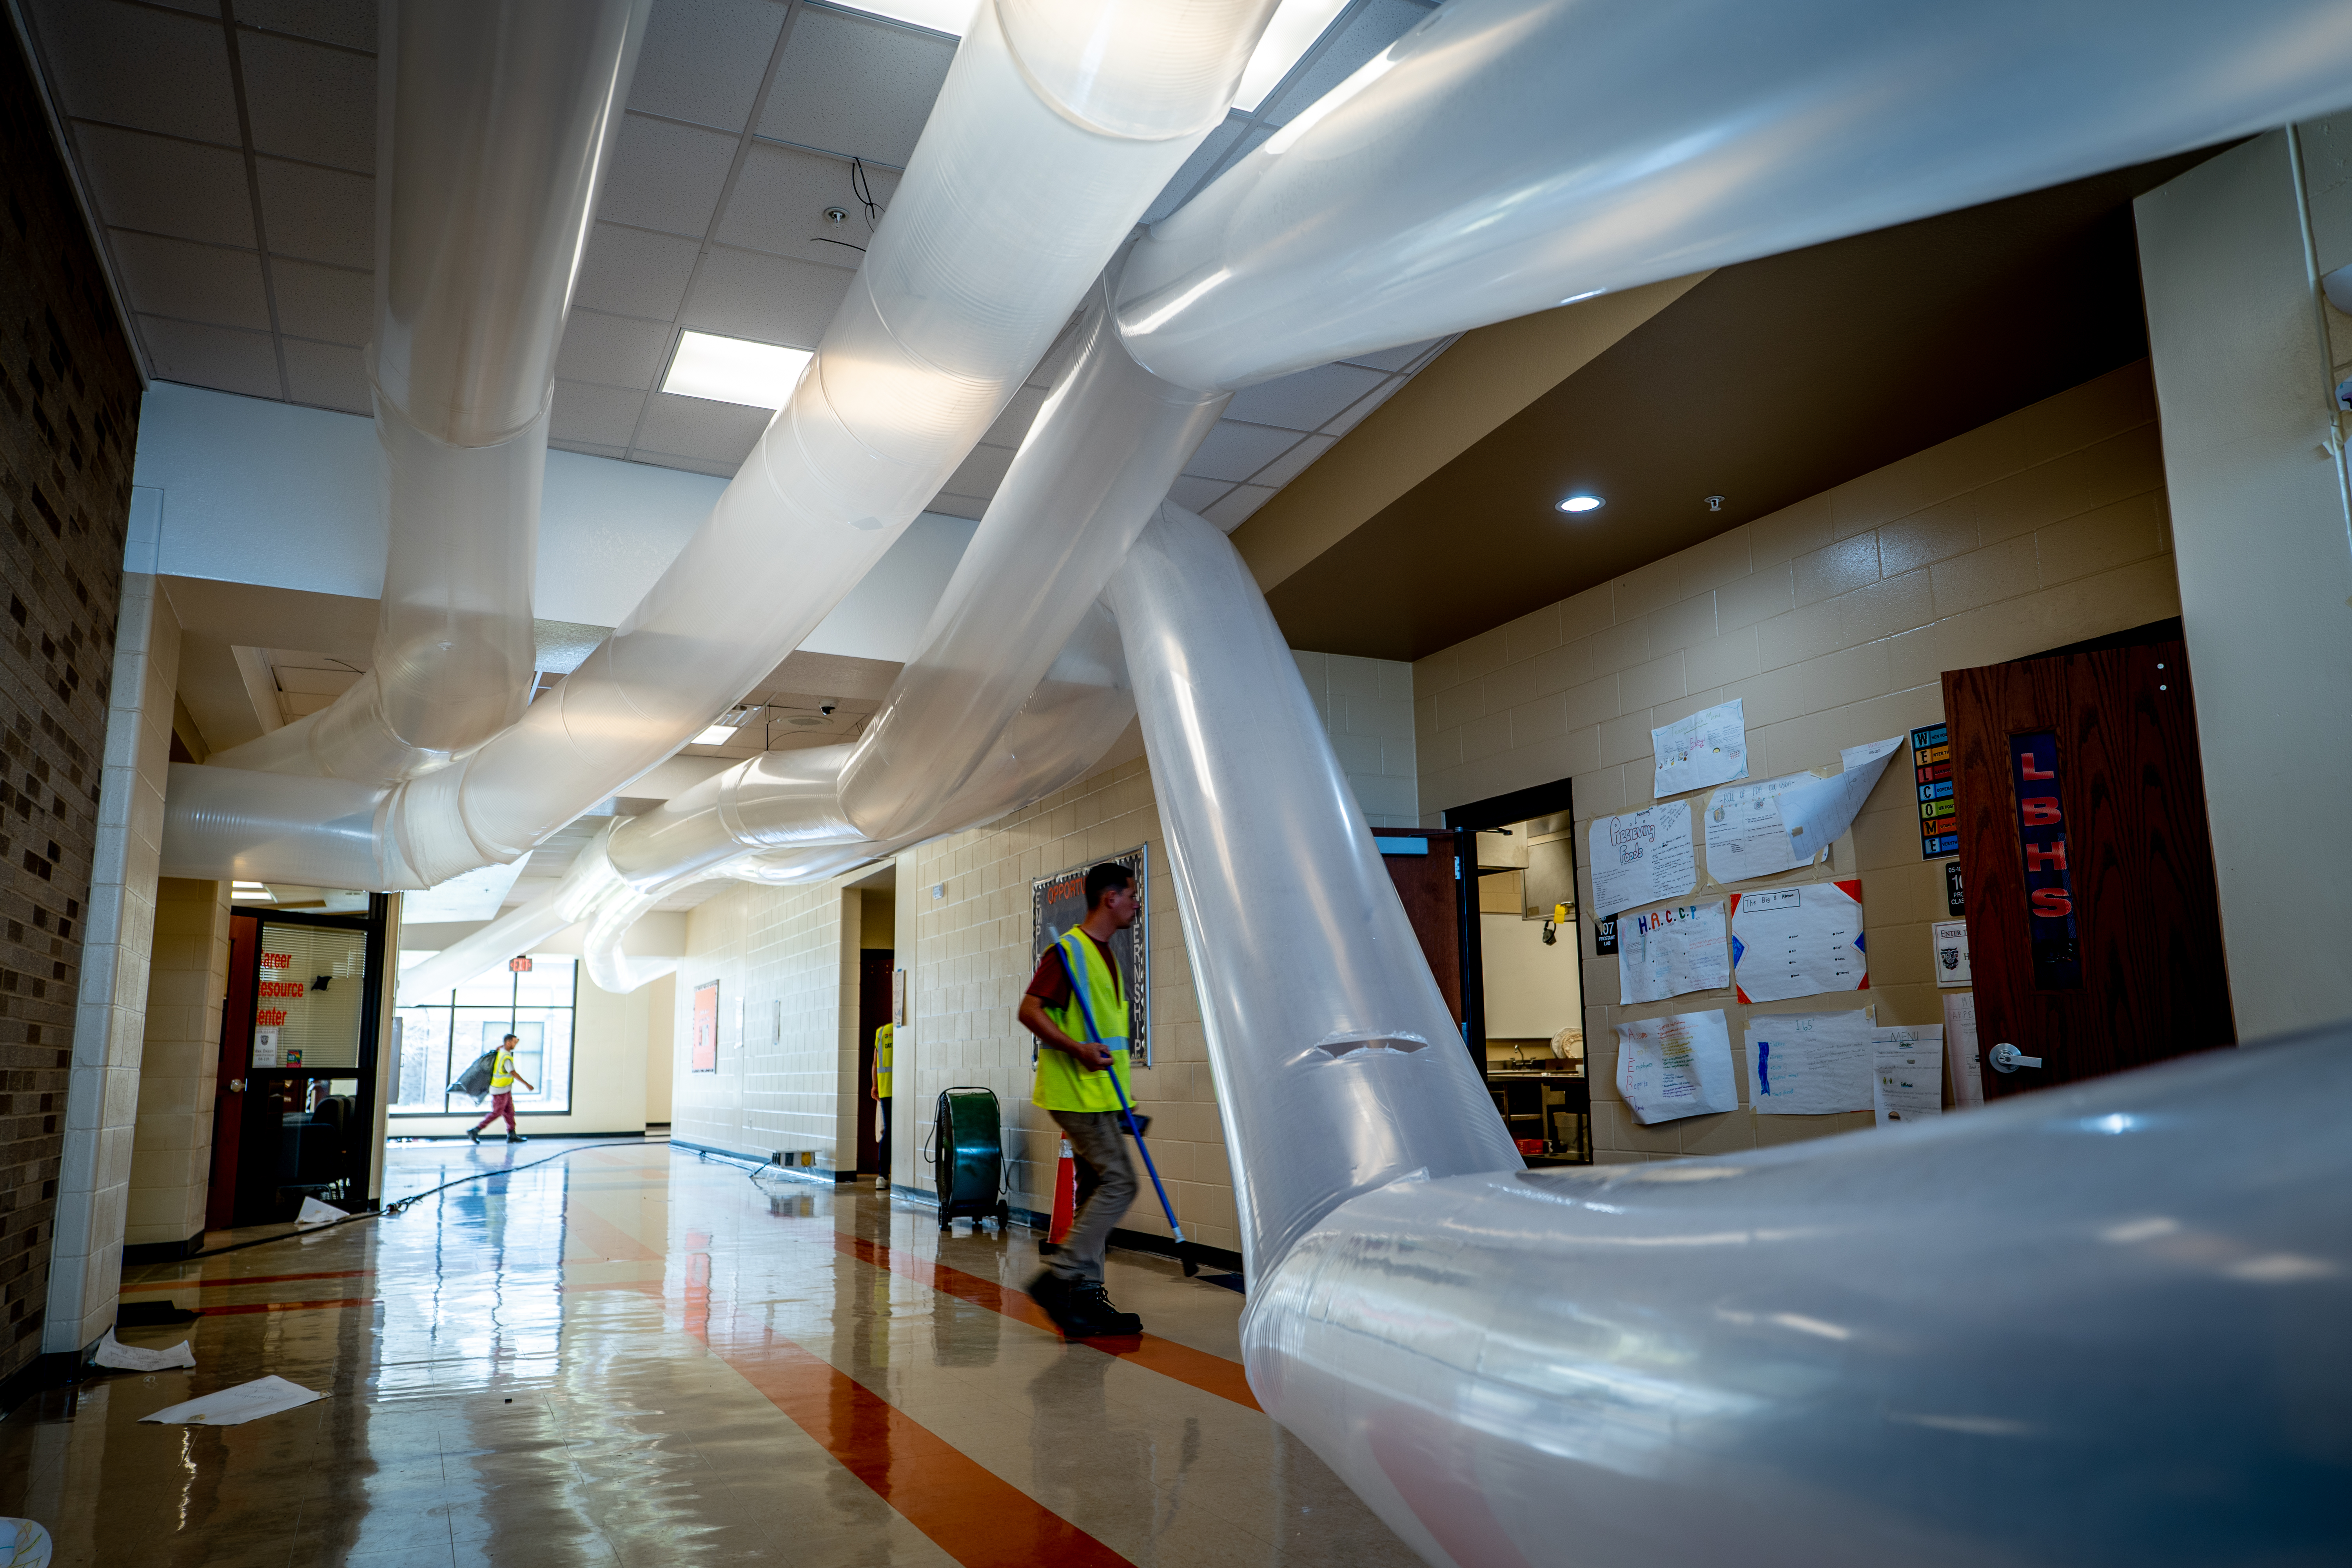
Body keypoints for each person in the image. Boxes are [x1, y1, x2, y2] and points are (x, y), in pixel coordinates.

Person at [1017, 862, 1145, 1338]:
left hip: (1100, 1098)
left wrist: (1123, 1103)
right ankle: (1060, 1274)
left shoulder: (1107, 954)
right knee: (1121, 1183)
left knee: (1097, 1190)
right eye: (1131, 895)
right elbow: (1029, 1010)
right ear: (1110, 897)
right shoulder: (1067, 952)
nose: (1136, 904)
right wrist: (1077, 1050)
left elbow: (1107, 1038)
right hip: (1073, 1092)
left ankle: (1085, 1300)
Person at [468, 1033, 534, 1145]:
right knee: (497, 1112)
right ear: (508, 1043)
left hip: (505, 1089)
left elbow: (500, 1049)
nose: (516, 1044)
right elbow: (513, 1073)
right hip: (499, 1090)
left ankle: (512, 1134)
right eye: (514, 1042)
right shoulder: (506, 1057)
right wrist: (527, 1084)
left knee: (510, 1112)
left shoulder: (502, 1051)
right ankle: (475, 1131)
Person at [871, 1019, 893, 1191]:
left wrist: (875, 1085)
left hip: (886, 1089)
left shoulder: (881, 1031)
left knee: (889, 1131)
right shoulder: (903, 1030)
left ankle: (882, 1176)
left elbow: (874, 1063)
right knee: (896, 1131)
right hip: (905, 1091)